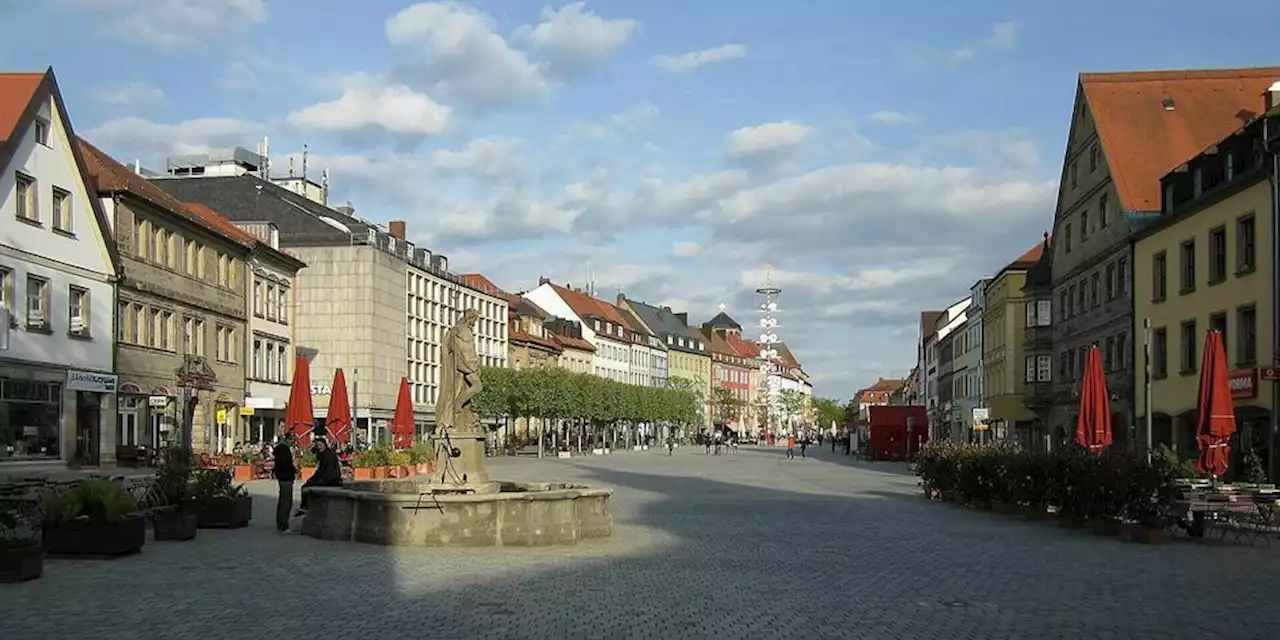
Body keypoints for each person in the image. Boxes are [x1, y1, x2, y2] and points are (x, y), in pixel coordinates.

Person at [297, 437, 342, 515]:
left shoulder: (327, 455)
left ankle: (305, 507)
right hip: (329, 478)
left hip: (330, 480)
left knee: (305, 487)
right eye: (317, 445)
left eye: (320, 445)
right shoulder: (325, 453)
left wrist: (314, 479)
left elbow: (325, 471)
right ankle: (306, 507)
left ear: (324, 445)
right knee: (308, 485)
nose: (319, 447)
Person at [271, 435, 297, 533]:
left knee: (283, 500)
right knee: (286, 501)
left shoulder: (280, 449)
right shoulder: (284, 450)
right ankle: (283, 525)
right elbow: (285, 464)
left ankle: (280, 522)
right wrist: (293, 470)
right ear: (287, 440)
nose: (293, 443)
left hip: (282, 477)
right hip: (286, 477)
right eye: (292, 440)